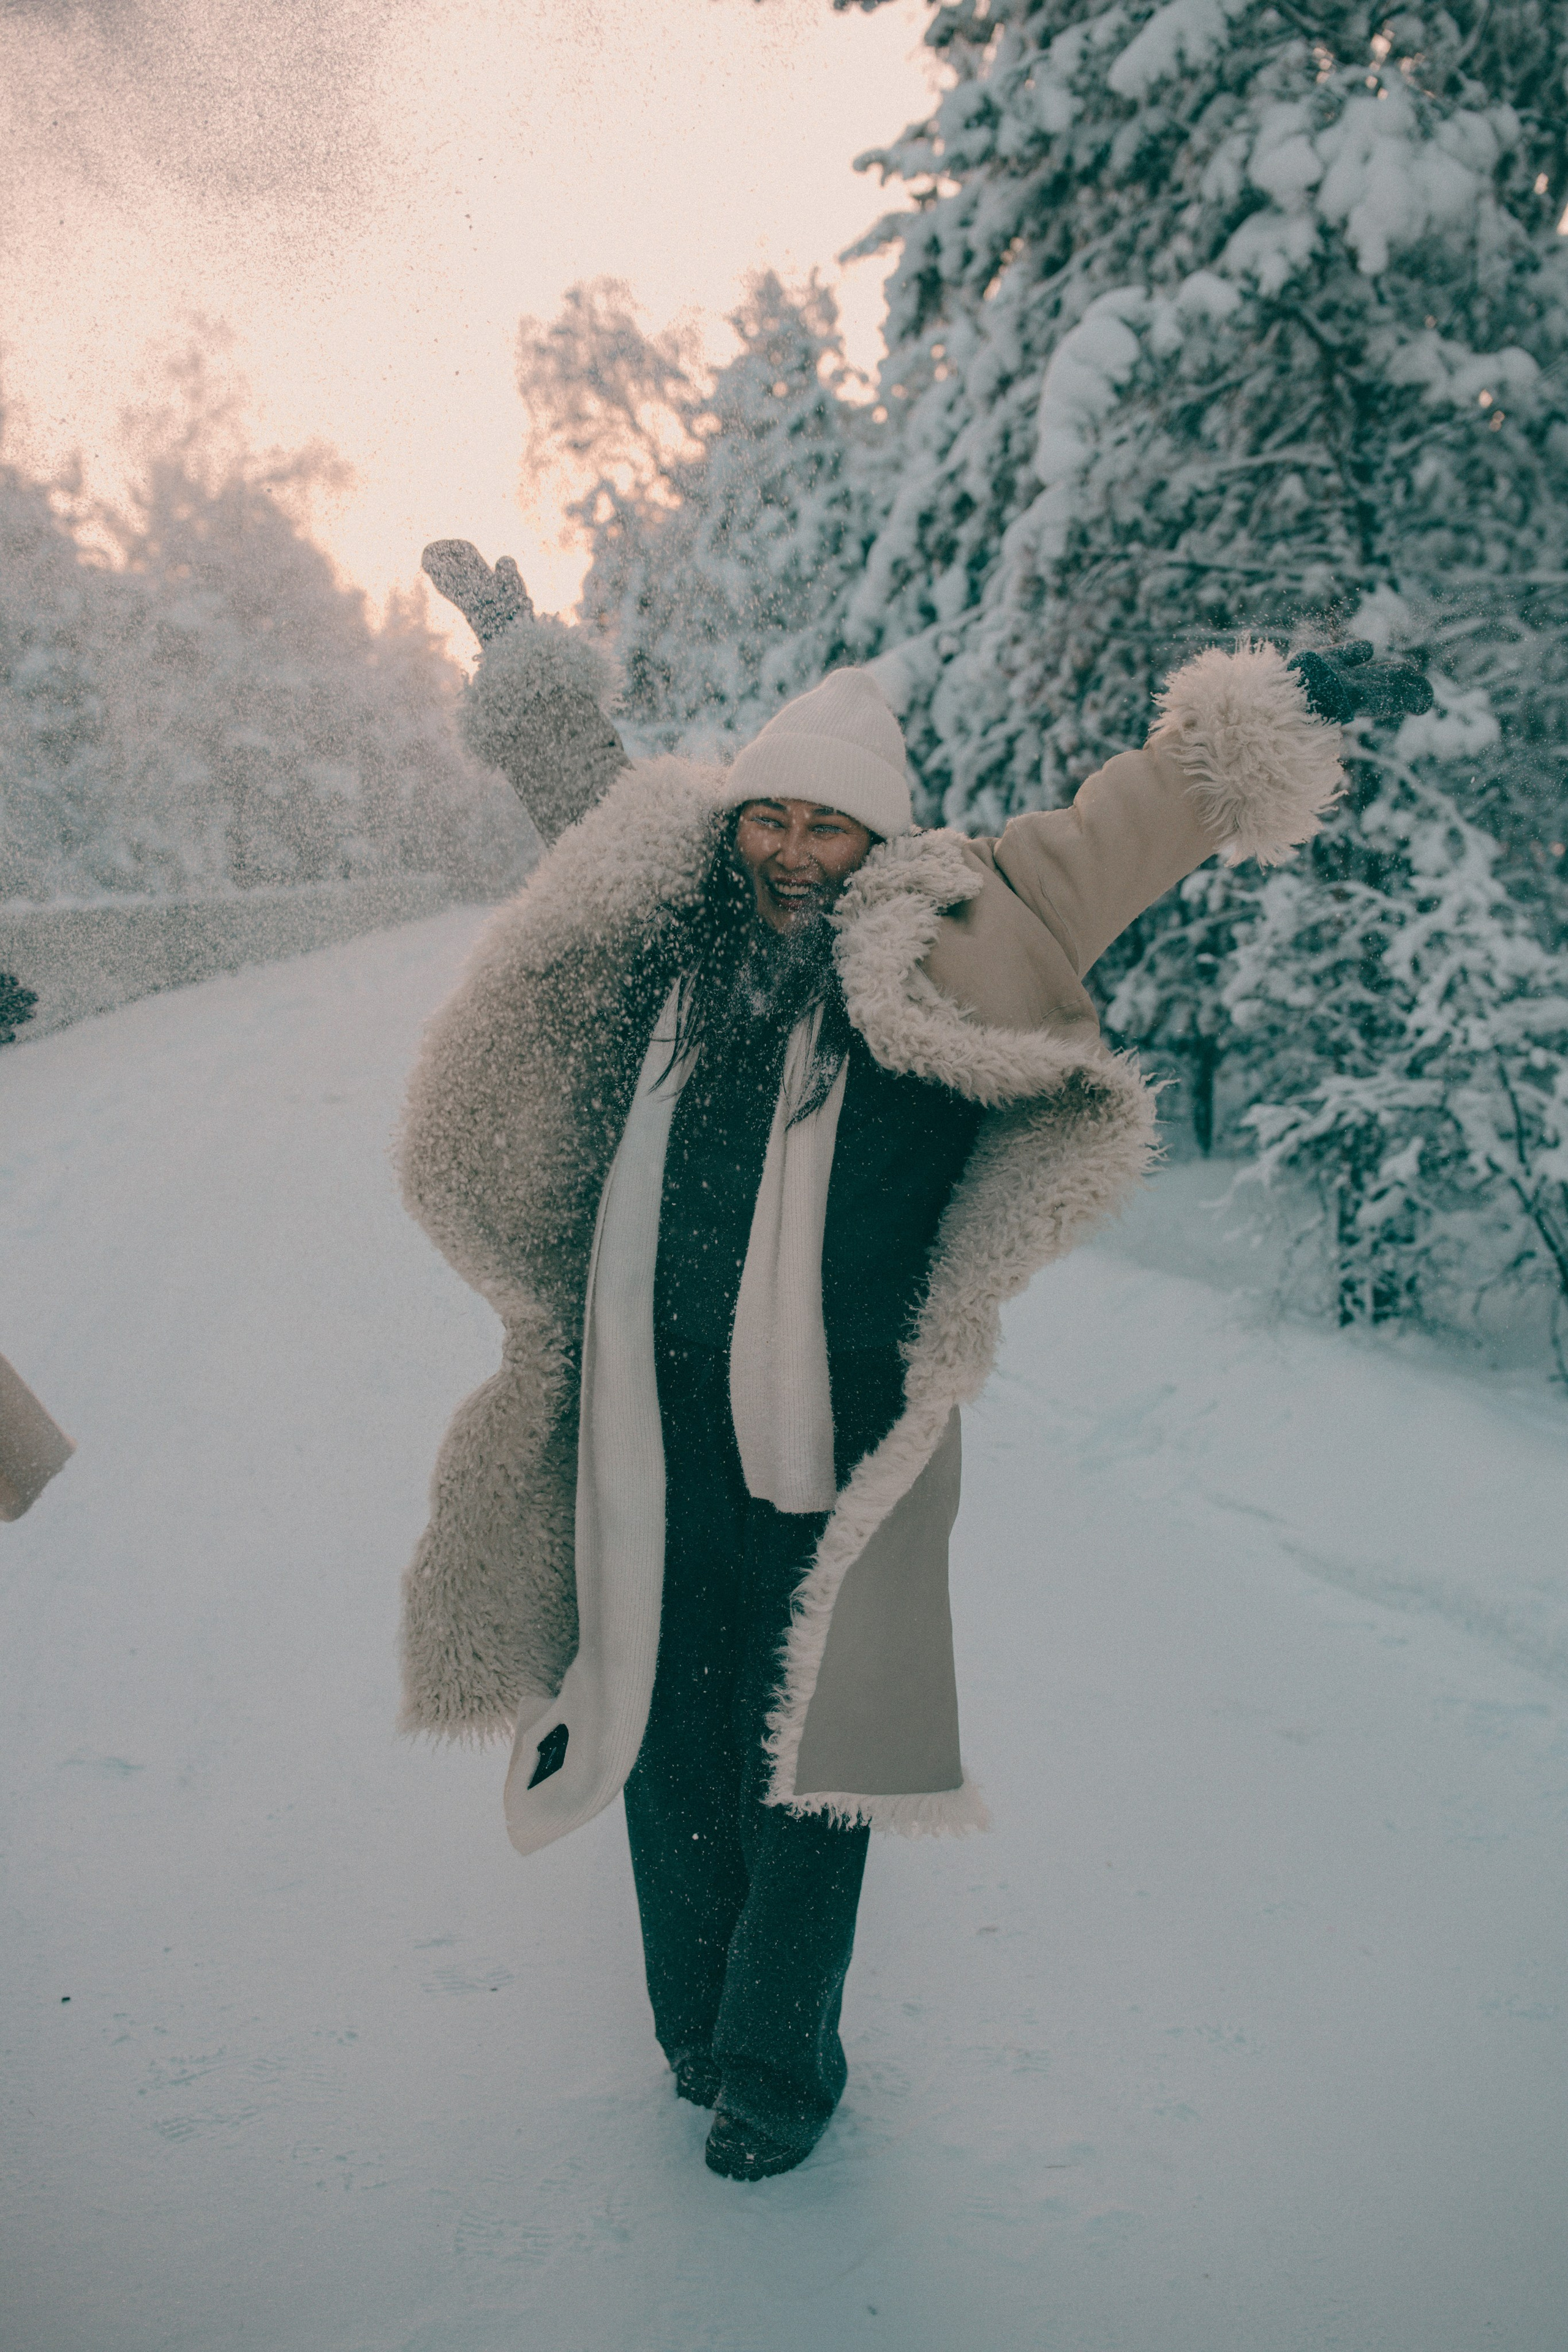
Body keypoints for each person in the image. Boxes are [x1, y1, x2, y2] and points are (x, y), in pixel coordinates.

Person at [397, 542, 1425, 2181]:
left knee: (811, 1760)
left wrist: (1283, 705)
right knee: (665, 1738)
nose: (794, 852)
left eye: (830, 826)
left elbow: (1134, 820)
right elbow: (592, 803)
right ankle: (694, 2031)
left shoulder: (962, 926)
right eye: (771, 817)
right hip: (648, 1434)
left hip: (841, 1444)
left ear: (880, 840)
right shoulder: (677, 940)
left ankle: (775, 2072)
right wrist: (520, 654)